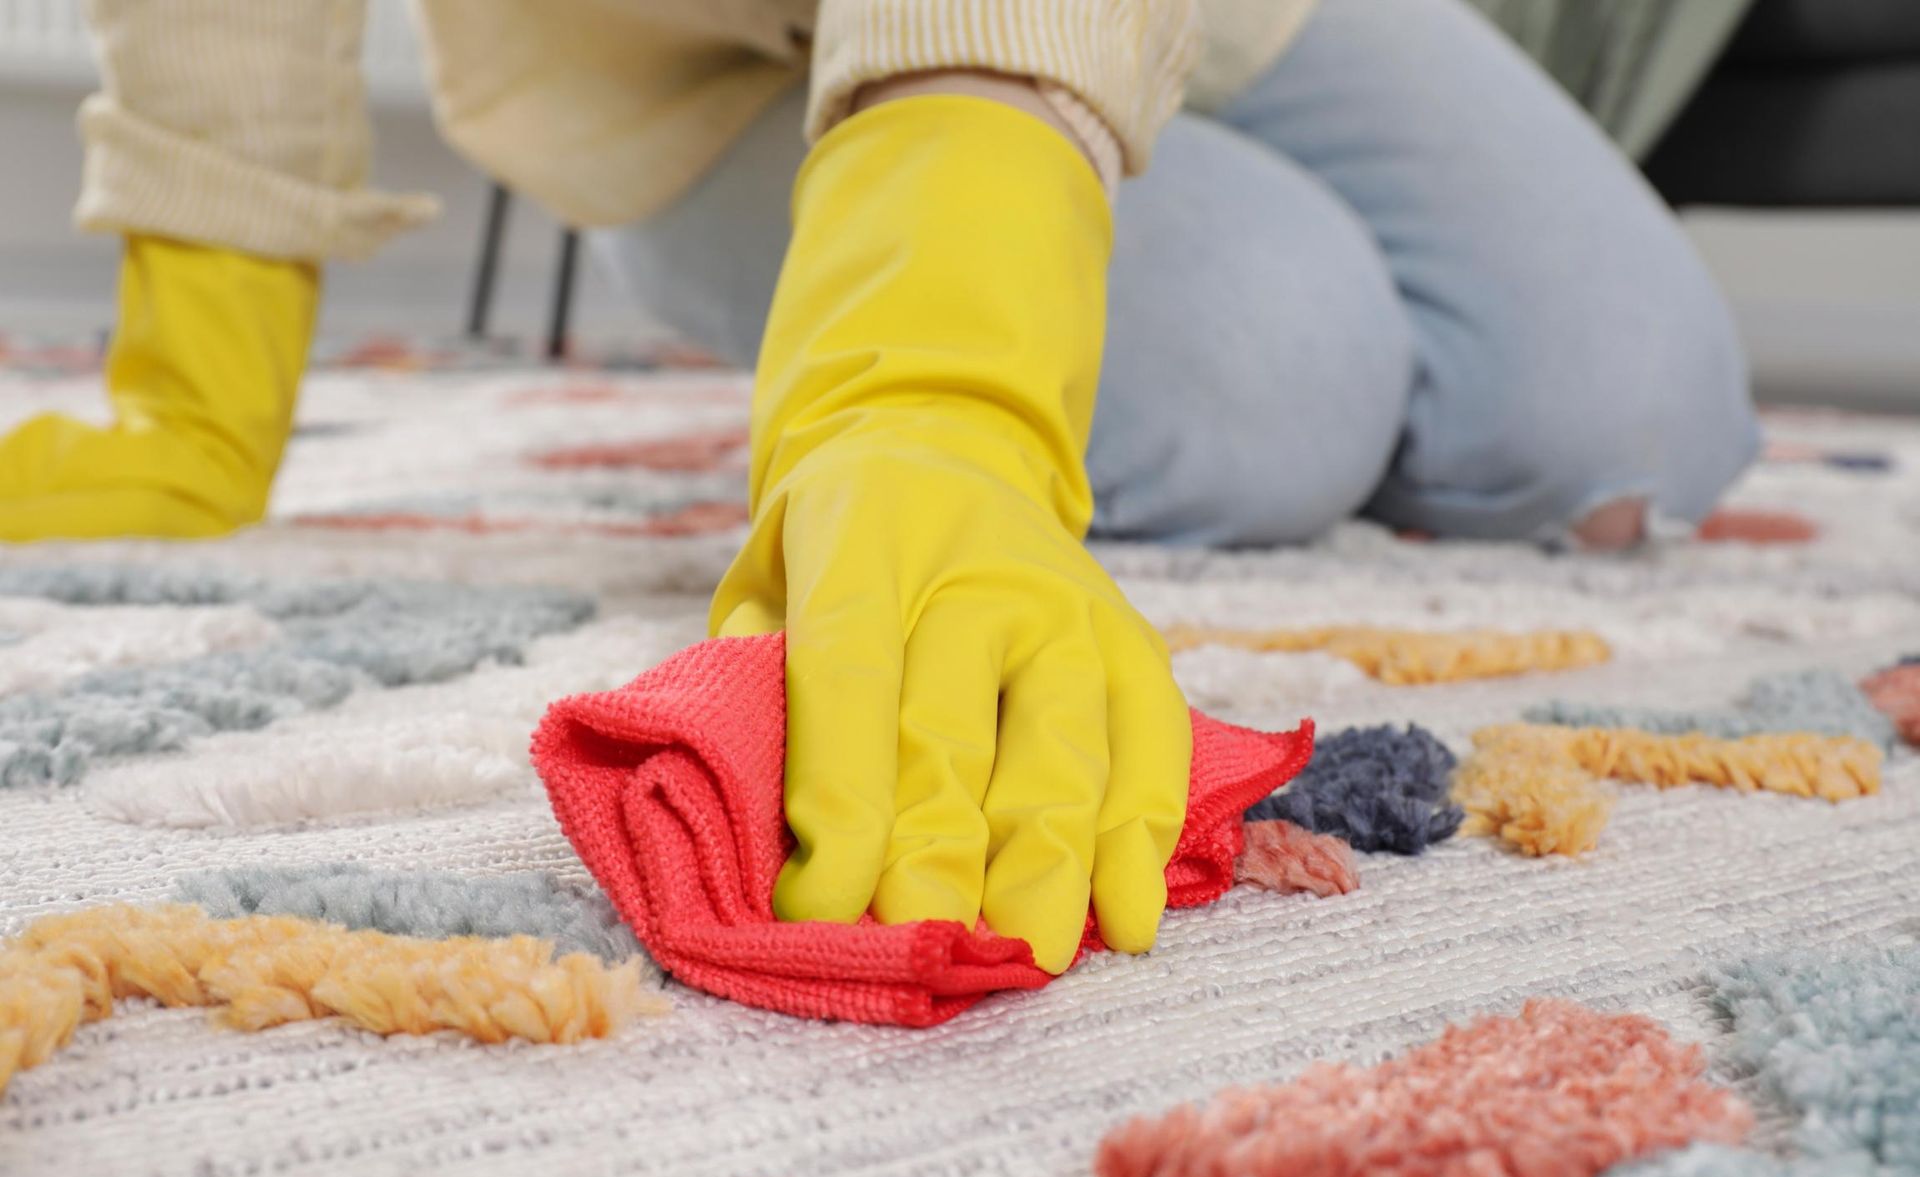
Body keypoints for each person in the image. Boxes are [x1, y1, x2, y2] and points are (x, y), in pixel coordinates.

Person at [0, 0, 1757, 975]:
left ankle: (1086, 139)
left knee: (1626, 425)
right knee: (1273, 376)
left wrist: (943, 371)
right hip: (674, 58)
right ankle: (750, 240)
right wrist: (201, 360)